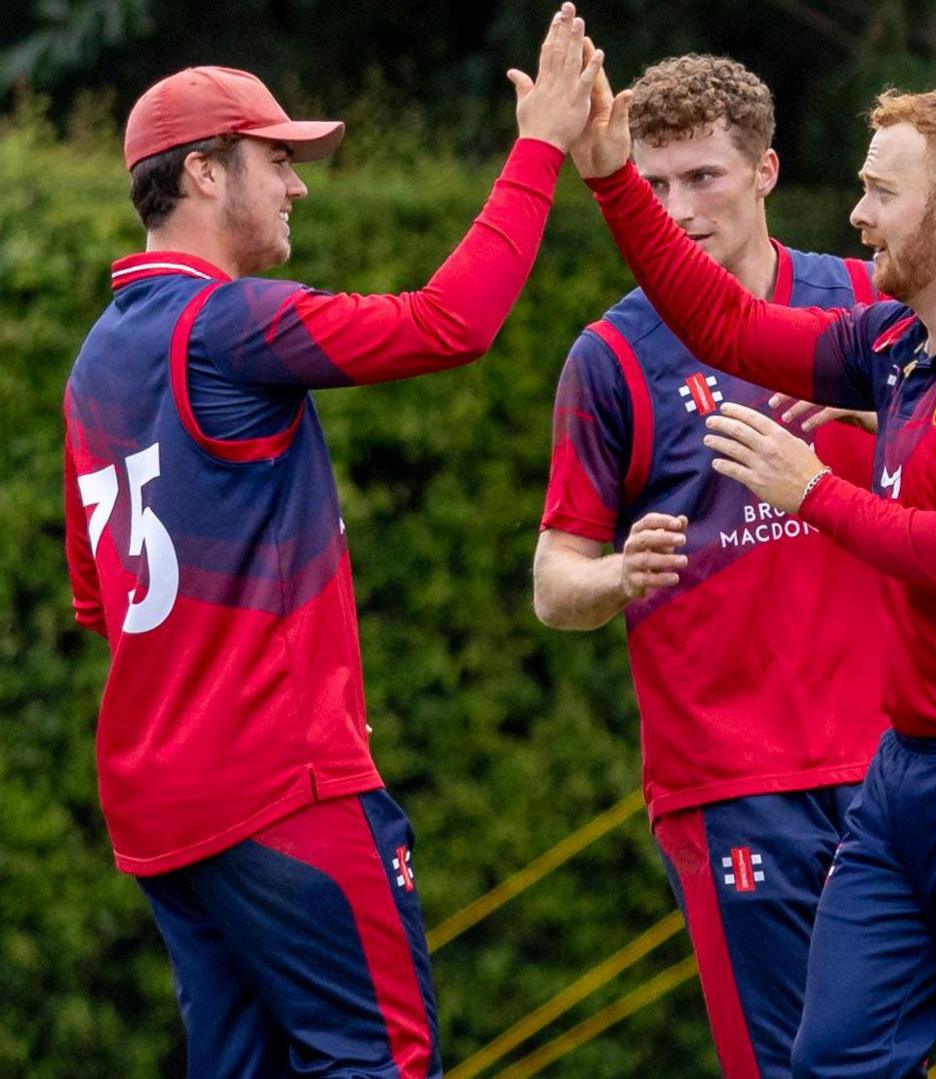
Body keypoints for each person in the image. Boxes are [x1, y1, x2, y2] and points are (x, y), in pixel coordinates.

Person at [61, 10, 601, 1075]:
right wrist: (539, 142)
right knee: (379, 1060)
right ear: (205, 174)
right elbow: (455, 322)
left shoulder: (91, 366)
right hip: (281, 785)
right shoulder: (227, 323)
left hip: (165, 812)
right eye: (278, 159)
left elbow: (98, 601)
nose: (299, 183)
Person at [565, 77, 936, 1077]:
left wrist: (813, 488)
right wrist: (610, 175)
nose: (856, 216)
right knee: (828, 1058)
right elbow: (726, 328)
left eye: (879, 193)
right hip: (906, 767)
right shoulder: (897, 346)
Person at [531, 54, 889, 1078]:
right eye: (654, 185)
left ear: (767, 171)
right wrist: (619, 575)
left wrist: (885, 415)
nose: (678, 210)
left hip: (902, 761)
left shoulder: (866, 305)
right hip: (731, 784)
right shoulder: (610, 357)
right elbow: (557, 579)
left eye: (704, 179)